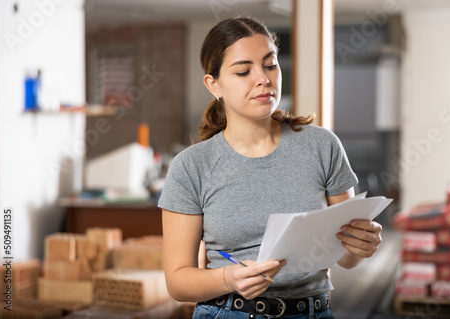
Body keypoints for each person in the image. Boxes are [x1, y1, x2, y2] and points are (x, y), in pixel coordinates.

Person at [160, 17, 383, 319]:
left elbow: (347, 258)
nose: (263, 79)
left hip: (313, 312)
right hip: (228, 312)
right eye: (243, 71)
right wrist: (228, 278)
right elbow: (177, 281)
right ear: (214, 85)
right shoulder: (190, 167)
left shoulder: (322, 146)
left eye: (270, 65)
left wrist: (361, 246)